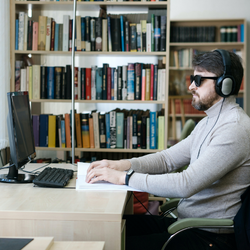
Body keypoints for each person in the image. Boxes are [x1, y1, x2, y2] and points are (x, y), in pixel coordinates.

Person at [86, 49, 250, 250]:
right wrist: (120, 165)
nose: (191, 86)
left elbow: (185, 184)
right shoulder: (210, 122)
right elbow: (167, 159)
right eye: (192, 78)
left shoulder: (234, 129)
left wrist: (124, 177)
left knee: (111, 244)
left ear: (224, 84)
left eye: (198, 80)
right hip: (186, 224)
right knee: (106, 228)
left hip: (207, 236)